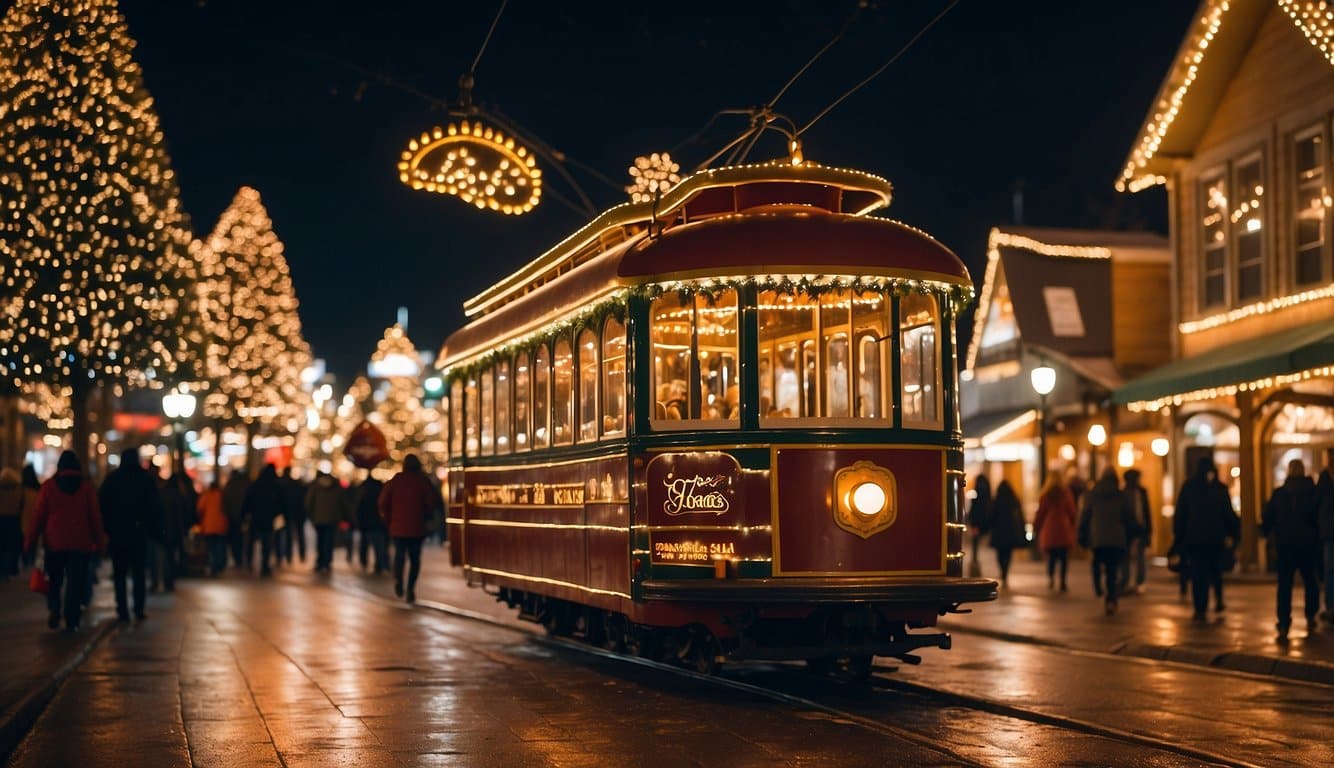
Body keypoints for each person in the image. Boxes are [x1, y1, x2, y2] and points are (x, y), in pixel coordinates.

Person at [24, 450, 106, 631]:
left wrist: (29, 541)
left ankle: (54, 608)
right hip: (80, 543)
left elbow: (38, 517)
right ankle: (72, 618)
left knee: (55, 580)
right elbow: (95, 517)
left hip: (54, 543)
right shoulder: (85, 488)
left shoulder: (49, 487)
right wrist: (100, 543)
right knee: (75, 583)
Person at [98, 448, 163, 621]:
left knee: (119, 573)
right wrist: (153, 529)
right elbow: (154, 507)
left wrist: (106, 530)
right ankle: (139, 608)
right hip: (139, 534)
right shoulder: (145, 479)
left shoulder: (112, 479)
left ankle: (122, 609)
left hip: (117, 533)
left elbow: (102, 505)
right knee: (138, 573)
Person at [1173, 456, 1239, 622]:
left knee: (1198, 573)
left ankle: (1200, 607)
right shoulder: (1219, 488)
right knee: (1215, 569)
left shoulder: (1189, 487)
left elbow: (1181, 514)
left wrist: (1179, 536)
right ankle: (1218, 599)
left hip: (1195, 537)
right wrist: (1234, 534)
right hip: (1215, 537)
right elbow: (1228, 514)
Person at [1262, 458, 1321, 641]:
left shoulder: (1280, 493)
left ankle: (1284, 623)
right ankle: (1310, 614)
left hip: (1285, 544)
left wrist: (1266, 533)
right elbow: (1317, 517)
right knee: (1310, 581)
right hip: (1307, 544)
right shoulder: (1312, 492)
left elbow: (1268, 517)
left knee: (1285, 585)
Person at [379, 454, 440, 603]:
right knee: (415, 559)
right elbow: (431, 503)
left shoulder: (395, 481)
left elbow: (382, 503)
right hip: (417, 527)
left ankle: (399, 581)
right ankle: (411, 589)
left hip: (398, 527)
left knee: (399, 556)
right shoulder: (422, 481)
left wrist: (389, 521)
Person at [1077, 467, 1136, 616]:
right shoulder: (1121, 496)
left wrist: (1082, 533)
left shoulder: (1093, 495)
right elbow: (1129, 517)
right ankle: (1111, 599)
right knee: (1111, 570)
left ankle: (1098, 587)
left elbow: (1085, 515)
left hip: (1098, 537)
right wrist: (1134, 533)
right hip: (1116, 538)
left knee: (1097, 561)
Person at [1033, 472, 1077, 592]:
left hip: (1050, 529)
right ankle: (1063, 581)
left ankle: (1051, 578)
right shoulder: (1066, 493)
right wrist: (1073, 524)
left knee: (1051, 557)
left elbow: (1040, 513)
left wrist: (1036, 526)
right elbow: (1072, 512)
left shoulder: (1046, 495)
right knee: (1063, 558)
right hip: (1063, 528)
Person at [241, 464, 285, 575]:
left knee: (252, 541)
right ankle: (264, 566)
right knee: (266, 543)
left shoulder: (256, 484)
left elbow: (247, 501)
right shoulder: (275, 486)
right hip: (269, 518)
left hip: (256, 517)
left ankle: (249, 563)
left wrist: (244, 515)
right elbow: (281, 503)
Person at [156, 471, 196, 591]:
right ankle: (170, 578)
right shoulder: (179, 495)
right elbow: (183, 514)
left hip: (164, 529)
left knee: (165, 555)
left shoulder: (163, 493)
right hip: (175, 530)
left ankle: (164, 577)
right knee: (172, 555)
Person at [1119, 468, 1152, 595]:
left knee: (1140, 556)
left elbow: (1146, 513)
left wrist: (1149, 530)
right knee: (1126, 556)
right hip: (1127, 528)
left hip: (1140, 528)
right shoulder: (1123, 493)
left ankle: (1139, 581)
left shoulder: (1142, 492)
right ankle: (1126, 580)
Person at [306, 470, 347, 572]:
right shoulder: (336, 487)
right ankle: (327, 562)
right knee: (329, 541)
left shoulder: (316, 486)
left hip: (318, 518)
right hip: (332, 518)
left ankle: (320, 562)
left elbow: (308, 502)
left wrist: (311, 515)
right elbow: (342, 503)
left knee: (320, 540)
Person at [988, 480, 1026, 588]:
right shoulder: (1014, 500)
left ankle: (1002, 570)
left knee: (1000, 554)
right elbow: (1020, 516)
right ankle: (1005, 572)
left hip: (999, 532)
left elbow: (991, 516)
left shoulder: (996, 500)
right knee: (1008, 553)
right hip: (1010, 532)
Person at [355, 474, 388, 573]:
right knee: (379, 546)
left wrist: (358, 521)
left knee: (365, 544)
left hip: (366, 523)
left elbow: (359, 508)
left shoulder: (363, 492)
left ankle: (364, 561)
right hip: (379, 523)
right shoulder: (381, 491)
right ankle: (380, 565)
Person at [196, 478, 229, 576]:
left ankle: (213, 566)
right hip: (221, 525)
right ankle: (218, 566)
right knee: (220, 547)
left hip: (209, 526)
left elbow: (199, 508)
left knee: (211, 548)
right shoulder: (222, 496)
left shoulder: (207, 495)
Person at [1316, 447, 1334, 624]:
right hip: (1328, 531)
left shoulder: (1325, 478)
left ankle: (1331, 606)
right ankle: (1330, 606)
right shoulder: (1324, 477)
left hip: (1328, 530)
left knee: (1330, 570)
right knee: (1329, 570)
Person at [965, 474, 993, 578]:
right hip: (985, 523)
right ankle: (975, 561)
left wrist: (971, 522)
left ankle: (975, 561)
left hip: (976, 524)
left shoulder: (976, 496)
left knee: (975, 543)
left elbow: (973, 511)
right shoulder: (988, 496)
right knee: (978, 544)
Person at [222, 468, 250, 567]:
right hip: (243, 517)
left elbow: (225, 501)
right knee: (243, 539)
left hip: (232, 517)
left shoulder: (229, 486)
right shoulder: (246, 485)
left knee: (234, 540)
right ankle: (243, 559)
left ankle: (237, 558)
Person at [279, 467, 308, 563]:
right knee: (297, 535)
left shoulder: (284, 485)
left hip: (289, 513)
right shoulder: (296, 485)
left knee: (289, 535)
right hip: (297, 513)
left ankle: (289, 556)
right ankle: (300, 554)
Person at [0, 468, 22, 579]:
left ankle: (2, 569)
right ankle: (8, 569)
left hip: (1, 520)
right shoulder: (18, 489)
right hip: (14, 520)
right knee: (11, 546)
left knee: (1, 546)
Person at [19, 465, 40, 570]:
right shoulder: (38, 489)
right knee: (33, 543)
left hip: (24, 521)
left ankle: (26, 561)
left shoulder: (21, 490)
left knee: (24, 543)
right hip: (35, 521)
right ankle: (31, 561)